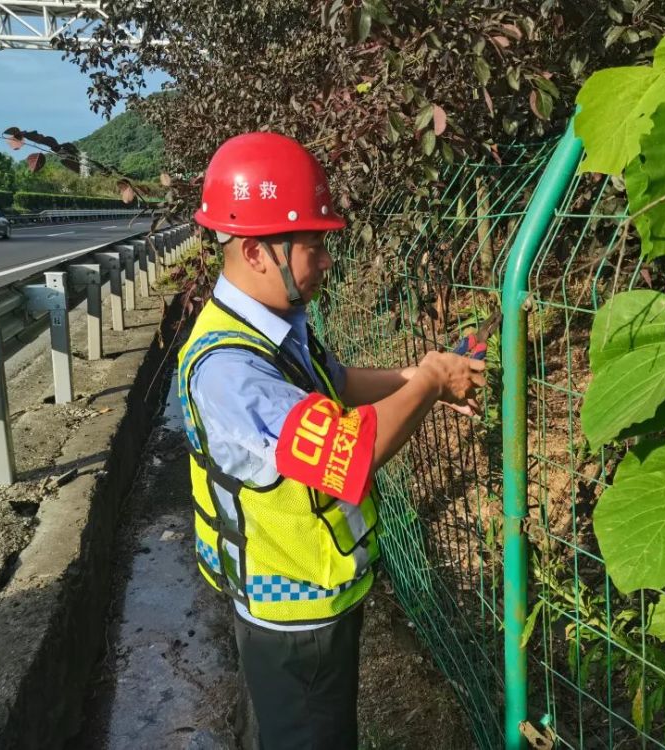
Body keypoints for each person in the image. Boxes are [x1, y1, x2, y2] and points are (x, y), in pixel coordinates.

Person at [176, 132, 485, 749]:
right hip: (293, 618)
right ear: (258, 251)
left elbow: (336, 384)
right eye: (313, 244)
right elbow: (352, 454)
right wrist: (426, 383)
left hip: (309, 597)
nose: (325, 260)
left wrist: (417, 375)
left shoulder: (269, 326)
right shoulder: (231, 372)